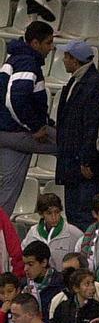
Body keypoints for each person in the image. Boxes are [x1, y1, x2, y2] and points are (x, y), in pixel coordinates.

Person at [0, 22, 55, 217]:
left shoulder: (13, 58)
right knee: (70, 147)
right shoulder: (28, 63)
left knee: (9, 189)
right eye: (48, 43)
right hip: (18, 131)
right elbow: (16, 99)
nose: (51, 48)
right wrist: (35, 127)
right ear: (34, 43)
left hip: (7, 131)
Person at [53, 40, 99, 231]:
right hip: (72, 163)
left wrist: (86, 160)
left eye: (66, 56)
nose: (63, 60)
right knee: (75, 215)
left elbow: (91, 126)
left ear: (74, 60)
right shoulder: (76, 81)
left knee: (85, 216)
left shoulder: (94, 84)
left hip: (82, 166)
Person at [23, 194, 81, 270]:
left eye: (57, 212)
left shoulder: (74, 233)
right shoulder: (33, 233)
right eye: (49, 213)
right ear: (41, 214)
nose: (54, 217)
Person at [22, 241, 63, 320]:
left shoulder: (61, 284)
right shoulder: (23, 285)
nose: (25, 269)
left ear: (44, 262)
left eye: (30, 264)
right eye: (24, 264)